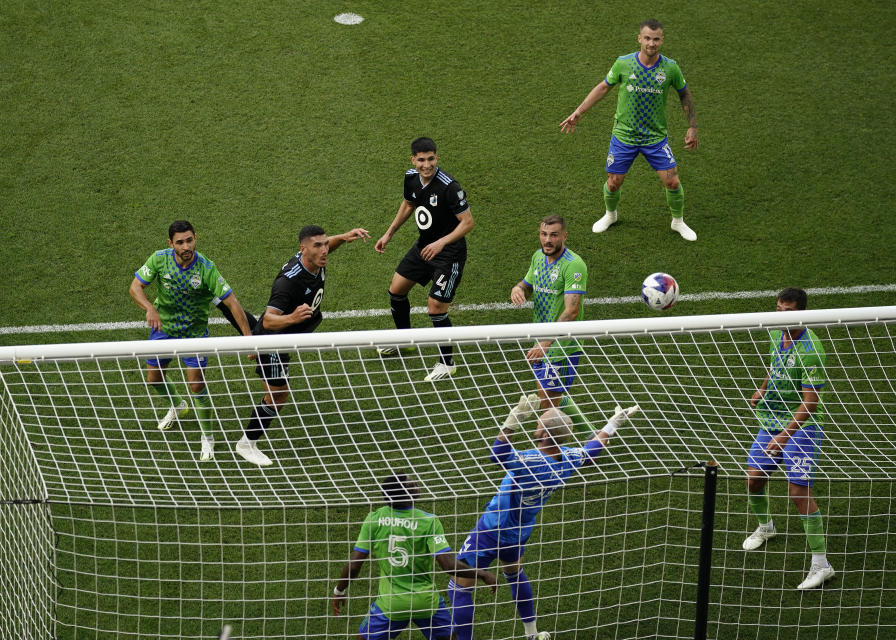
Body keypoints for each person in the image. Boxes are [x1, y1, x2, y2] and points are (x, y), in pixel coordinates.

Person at [448, 397, 639, 640]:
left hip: (491, 529)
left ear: (543, 433)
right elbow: (592, 451)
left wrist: (514, 419)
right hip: (519, 532)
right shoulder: (568, 459)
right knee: (514, 573)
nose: (536, 424)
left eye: (539, 422)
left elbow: (497, 456)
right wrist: (612, 424)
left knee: (459, 587)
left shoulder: (530, 461)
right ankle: (532, 633)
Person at [218, 224, 370, 466]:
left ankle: (220, 301)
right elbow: (268, 319)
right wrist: (293, 318)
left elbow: (327, 244)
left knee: (273, 388)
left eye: (325, 245)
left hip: (287, 336)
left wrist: (343, 237)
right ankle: (246, 443)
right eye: (318, 246)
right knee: (278, 396)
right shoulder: (288, 283)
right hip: (275, 341)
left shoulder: (315, 257)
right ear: (303, 249)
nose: (324, 251)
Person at [559, 19, 699, 241]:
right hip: (624, 136)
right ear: (639, 39)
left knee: (672, 180)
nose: (651, 43)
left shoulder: (670, 67)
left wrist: (692, 126)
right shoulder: (624, 64)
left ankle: (678, 222)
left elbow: (684, 93)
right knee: (613, 183)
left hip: (655, 137)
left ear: (662, 40)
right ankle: (610, 215)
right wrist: (579, 112)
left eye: (655, 39)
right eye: (647, 38)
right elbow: (604, 87)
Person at [129, 220, 251, 462]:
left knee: (196, 384)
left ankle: (208, 437)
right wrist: (149, 308)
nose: (186, 246)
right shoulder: (159, 259)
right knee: (154, 379)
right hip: (163, 328)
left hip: (194, 334)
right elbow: (135, 287)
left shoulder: (206, 268)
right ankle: (178, 405)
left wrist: (249, 338)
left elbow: (232, 303)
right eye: (180, 242)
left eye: (189, 240)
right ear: (170, 243)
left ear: (195, 237)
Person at [742, 287, 834, 590]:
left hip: (801, 427)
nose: (780, 315)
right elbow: (775, 366)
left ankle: (822, 565)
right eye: (778, 309)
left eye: (788, 312)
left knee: (798, 492)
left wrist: (784, 436)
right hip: (771, 420)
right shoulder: (775, 334)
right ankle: (766, 527)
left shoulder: (812, 349)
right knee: (754, 479)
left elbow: (810, 402)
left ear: (802, 313)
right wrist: (763, 388)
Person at [332, 474, 497, 640]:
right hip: (425, 603)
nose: (416, 483)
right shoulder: (428, 522)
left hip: (391, 604)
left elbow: (354, 566)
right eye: (411, 484)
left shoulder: (374, 520)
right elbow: (448, 565)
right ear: (404, 494)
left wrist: (339, 590)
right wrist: (483, 574)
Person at [374, 137, 476, 382]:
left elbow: (468, 222)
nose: (426, 165)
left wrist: (441, 242)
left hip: (448, 253)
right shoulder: (411, 177)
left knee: (435, 307)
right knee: (396, 291)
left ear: (436, 158)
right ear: (413, 160)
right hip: (424, 247)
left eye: (431, 159)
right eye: (421, 160)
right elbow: (409, 204)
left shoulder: (449, 186)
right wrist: (389, 233)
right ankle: (404, 340)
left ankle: (447, 363)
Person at [509, 215, 594, 439]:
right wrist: (518, 289)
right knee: (549, 396)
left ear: (564, 236)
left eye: (554, 235)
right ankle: (592, 437)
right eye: (544, 234)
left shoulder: (574, 265)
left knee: (548, 408)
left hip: (561, 345)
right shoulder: (538, 257)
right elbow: (526, 284)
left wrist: (545, 343)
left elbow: (572, 311)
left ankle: (550, 454)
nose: (548, 240)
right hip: (542, 341)